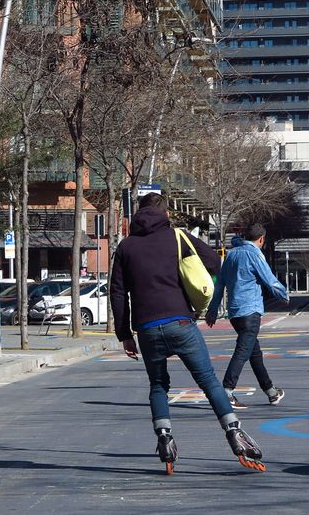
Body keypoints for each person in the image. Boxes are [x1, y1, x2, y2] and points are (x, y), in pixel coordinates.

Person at [110, 193, 265, 473]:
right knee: (208, 381)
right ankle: (234, 432)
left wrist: (124, 334)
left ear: (138, 214)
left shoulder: (126, 247)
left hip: (146, 328)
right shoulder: (177, 237)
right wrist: (203, 300)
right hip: (181, 322)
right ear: (165, 212)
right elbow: (215, 264)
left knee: (158, 386)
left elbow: (118, 292)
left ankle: (165, 439)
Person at [206, 223, 288, 409]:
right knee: (243, 351)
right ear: (261, 239)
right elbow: (268, 278)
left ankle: (271, 391)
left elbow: (220, 285)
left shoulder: (232, 254)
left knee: (254, 352)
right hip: (250, 310)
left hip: (235, 313)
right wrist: (283, 294)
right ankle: (227, 390)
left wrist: (212, 310)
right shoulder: (254, 254)